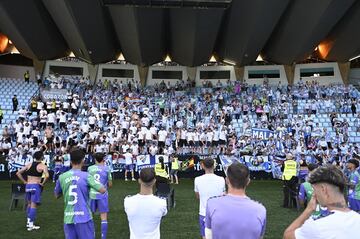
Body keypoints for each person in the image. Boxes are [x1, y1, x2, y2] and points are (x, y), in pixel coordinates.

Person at [283, 165, 360, 239]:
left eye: (314, 189)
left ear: (323, 189)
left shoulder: (317, 226)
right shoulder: (357, 219)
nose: (314, 194)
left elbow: (287, 235)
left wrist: (308, 210)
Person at [54, 148, 107, 239]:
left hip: (68, 217)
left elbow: (56, 195)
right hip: (84, 217)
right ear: (83, 160)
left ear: (71, 161)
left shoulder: (62, 177)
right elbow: (102, 190)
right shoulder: (86, 176)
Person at [205, 162, 266, 239]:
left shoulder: (212, 204)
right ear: (248, 182)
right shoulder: (260, 210)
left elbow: (208, 235)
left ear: (227, 180)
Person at [124, 168, 167, 239]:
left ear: (139, 181)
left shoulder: (128, 201)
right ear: (154, 181)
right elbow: (163, 214)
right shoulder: (161, 202)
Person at [16, 151, 49, 231]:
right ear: (41, 157)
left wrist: (24, 181)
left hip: (28, 186)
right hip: (35, 186)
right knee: (33, 205)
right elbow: (47, 176)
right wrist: (42, 183)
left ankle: (28, 222)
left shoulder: (29, 164)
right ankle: (31, 224)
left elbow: (18, 173)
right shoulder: (43, 166)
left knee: (29, 204)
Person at [194, 158, 225, 239]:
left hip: (204, 213)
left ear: (203, 166)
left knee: (205, 236)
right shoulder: (221, 179)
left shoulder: (197, 180)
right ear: (214, 166)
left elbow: (198, 197)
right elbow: (223, 196)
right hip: (218, 213)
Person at [88, 153, 113, 239]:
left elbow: (88, 182)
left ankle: (91, 236)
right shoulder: (107, 169)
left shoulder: (90, 168)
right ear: (103, 159)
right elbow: (110, 185)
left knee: (89, 217)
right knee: (103, 217)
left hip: (91, 195)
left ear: (95, 159)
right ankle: (103, 237)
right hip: (102, 195)